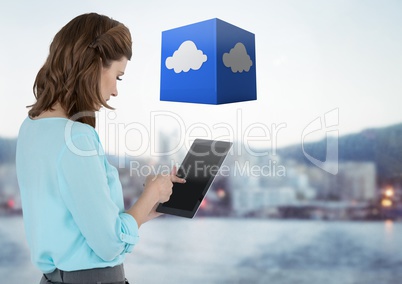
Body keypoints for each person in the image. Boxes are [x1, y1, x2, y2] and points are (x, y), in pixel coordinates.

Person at [15, 12, 185, 284]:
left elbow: (74, 222)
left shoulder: (30, 127)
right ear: (93, 65)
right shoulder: (77, 138)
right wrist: (151, 192)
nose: (116, 91)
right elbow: (108, 245)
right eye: (118, 76)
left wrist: (144, 211)